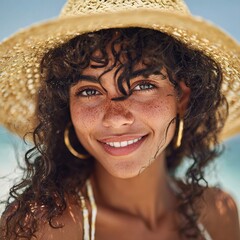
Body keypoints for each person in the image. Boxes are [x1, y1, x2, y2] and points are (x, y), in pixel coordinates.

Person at [0, 0, 240, 239]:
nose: (116, 118)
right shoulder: (40, 229)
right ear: (66, 106)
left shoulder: (219, 214)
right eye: (90, 91)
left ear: (182, 98)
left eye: (142, 85)